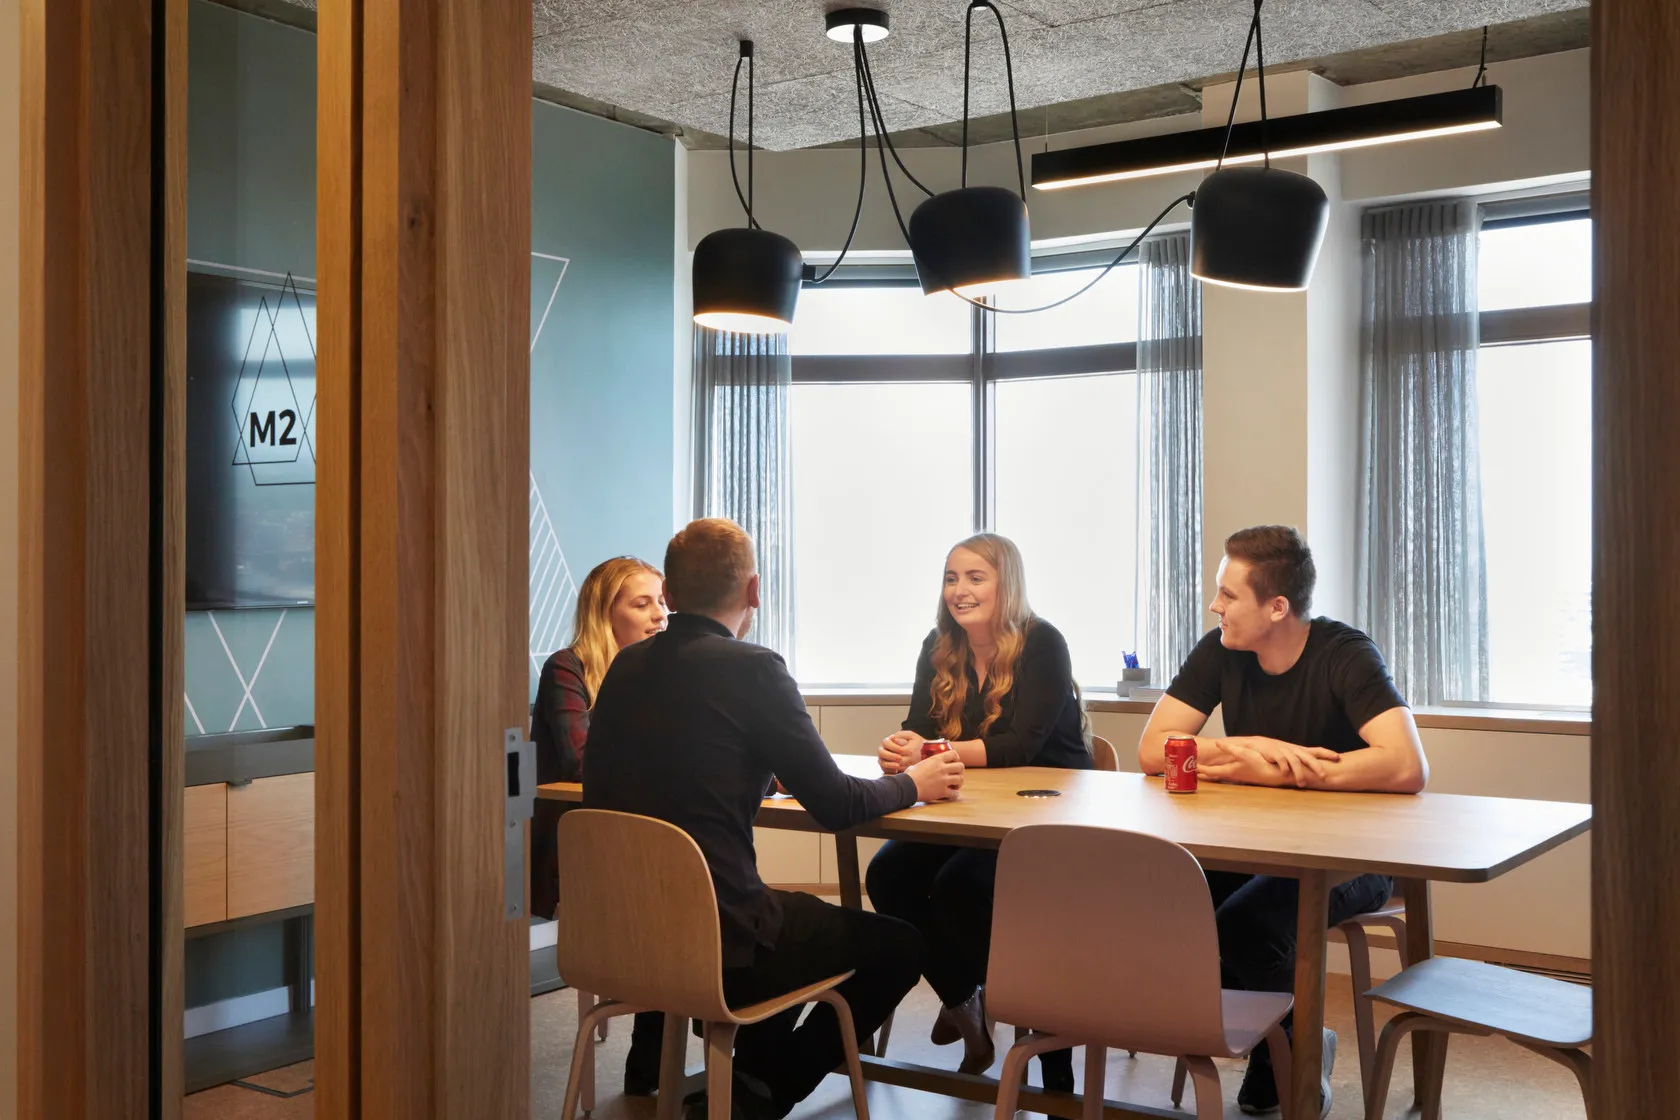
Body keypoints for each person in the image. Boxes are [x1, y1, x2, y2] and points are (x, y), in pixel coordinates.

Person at [583, 518, 966, 1120]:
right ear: (754, 591)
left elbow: (679, 763)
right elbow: (837, 805)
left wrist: (762, 768)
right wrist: (912, 784)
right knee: (899, 944)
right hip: (720, 948)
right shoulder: (755, 668)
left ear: (671, 595)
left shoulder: (624, 669)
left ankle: (747, 1082)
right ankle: (763, 1092)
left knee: (789, 917)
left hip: (623, 938)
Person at [1137, 525, 1429, 1117]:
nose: (1214, 605)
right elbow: (1152, 749)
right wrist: (1248, 748)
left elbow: (1406, 764)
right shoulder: (1220, 649)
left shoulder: (1345, 653)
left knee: (1246, 928)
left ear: (1276, 607)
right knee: (1173, 901)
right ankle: (1296, 1040)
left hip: (1354, 857)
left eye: (1227, 594)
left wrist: (1277, 773)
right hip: (1254, 847)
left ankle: (1289, 1052)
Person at [865, 533, 1092, 1089]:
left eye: (974, 577)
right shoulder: (939, 645)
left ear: (1005, 584)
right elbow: (918, 725)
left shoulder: (1043, 642)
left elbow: (1022, 745)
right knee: (887, 875)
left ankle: (1049, 1056)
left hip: (1051, 816)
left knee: (961, 887)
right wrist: (902, 747)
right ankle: (965, 996)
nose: (959, 591)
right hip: (970, 812)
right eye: (951, 578)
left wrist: (931, 751)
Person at [529, 555, 667, 1093]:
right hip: (583, 852)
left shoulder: (665, 670)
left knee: (698, 892)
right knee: (685, 904)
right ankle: (663, 1058)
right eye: (643, 603)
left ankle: (670, 1058)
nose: (660, 614)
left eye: (662, 601)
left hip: (645, 838)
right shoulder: (567, 669)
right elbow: (580, 762)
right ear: (604, 612)